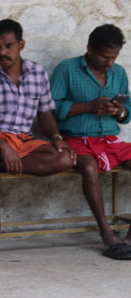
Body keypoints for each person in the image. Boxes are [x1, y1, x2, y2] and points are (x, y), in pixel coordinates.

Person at [0, 18, 76, 254]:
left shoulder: (38, 73)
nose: (2, 52)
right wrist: (2, 145)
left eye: (8, 46)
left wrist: (56, 137)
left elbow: (45, 114)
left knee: (64, 158)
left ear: (21, 44)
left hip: (23, 141)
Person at [50, 23, 131, 260]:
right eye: (105, 57)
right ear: (89, 49)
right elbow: (50, 108)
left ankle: (128, 240)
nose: (109, 63)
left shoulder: (119, 73)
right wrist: (89, 106)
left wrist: (119, 112)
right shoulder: (67, 69)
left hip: (108, 139)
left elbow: (128, 112)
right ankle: (107, 235)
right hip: (74, 138)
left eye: (114, 57)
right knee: (88, 167)